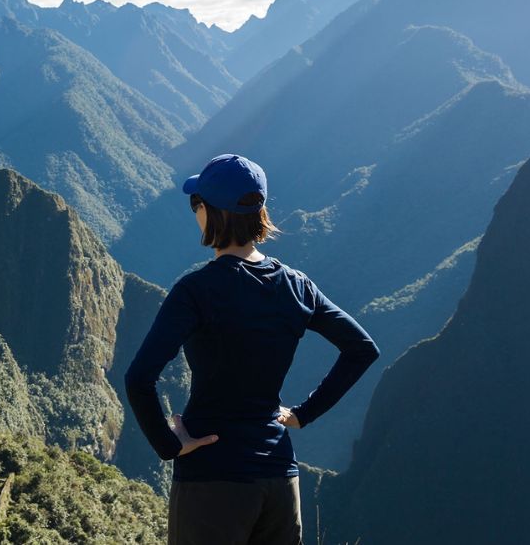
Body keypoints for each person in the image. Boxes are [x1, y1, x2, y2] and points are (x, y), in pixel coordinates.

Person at [124, 153, 380, 545]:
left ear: (213, 213)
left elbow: (139, 378)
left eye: (197, 204)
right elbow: (361, 348)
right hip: (279, 479)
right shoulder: (297, 287)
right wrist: (303, 414)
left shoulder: (196, 291)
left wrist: (169, 444)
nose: (195, 212)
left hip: (212, 480)